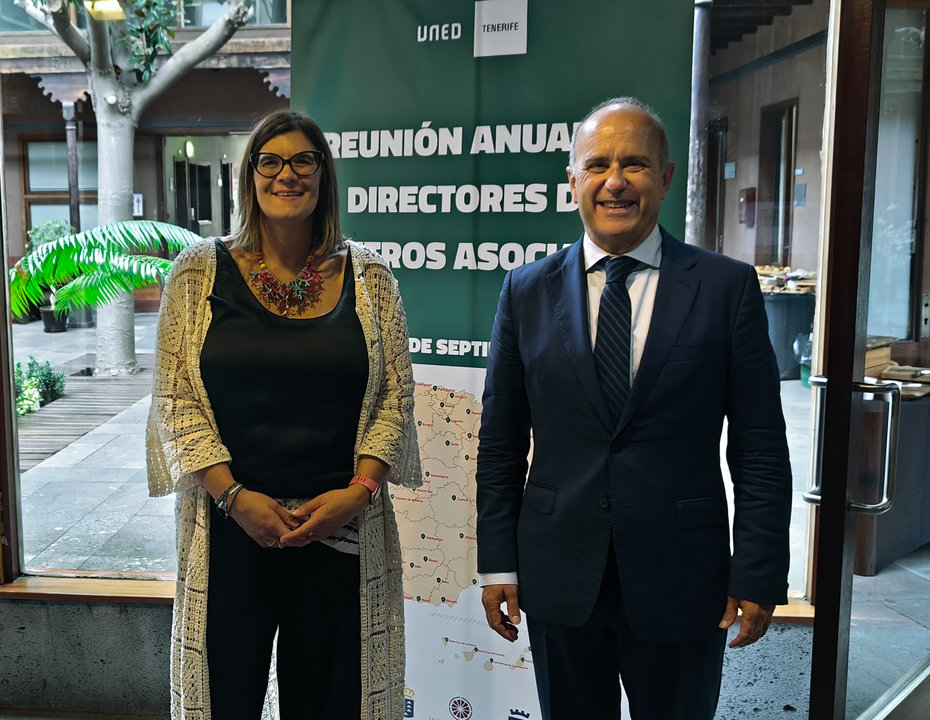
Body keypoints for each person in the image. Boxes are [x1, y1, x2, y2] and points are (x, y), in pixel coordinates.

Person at [475, 97, 792, 720]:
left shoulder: (726, 288)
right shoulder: (525, 291)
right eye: (597, 165)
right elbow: (501, 444)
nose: (615, 181)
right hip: (559, 573)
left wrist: (757, 571)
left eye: (635, 164)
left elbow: (759, 445)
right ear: (572, 182)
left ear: (667, 178)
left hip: (683, 577)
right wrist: (496, 565)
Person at [146, 109, 421, 720]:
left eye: (303, 161)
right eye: (270, 161)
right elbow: (175, 401)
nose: (286, 174)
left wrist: (360, 492)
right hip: (229, 530)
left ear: (323, 176)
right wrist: (233, 496)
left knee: (336, 702)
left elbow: (394, 398)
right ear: (250, 177)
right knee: (223, 700)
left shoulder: (370, 276)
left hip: (340, 532)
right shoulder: (197, 273)